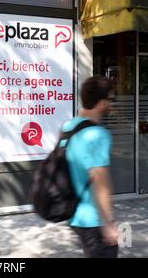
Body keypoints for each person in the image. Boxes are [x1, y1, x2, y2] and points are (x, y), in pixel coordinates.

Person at [62, 76, 119, 258]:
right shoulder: (97, 135)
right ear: (101, 102)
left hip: (74, 214)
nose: (112, 104)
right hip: (92, 219)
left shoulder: (69, 126)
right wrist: (109, 223)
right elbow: (100, 183)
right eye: (111, 100)